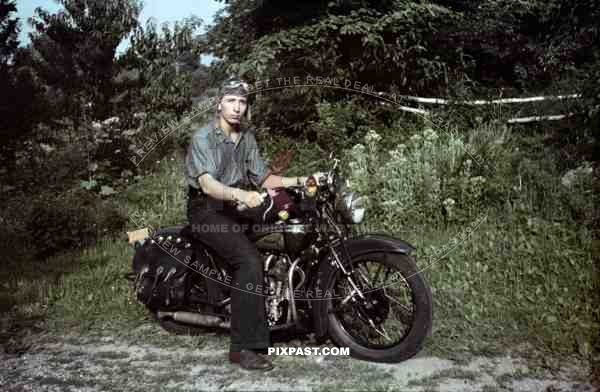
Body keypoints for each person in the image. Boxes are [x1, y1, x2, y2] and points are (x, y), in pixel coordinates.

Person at [184, 76, 322, 371]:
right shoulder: (203, 138)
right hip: (207, 211)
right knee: (248, 261)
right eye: (231, 101)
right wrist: (240, 194)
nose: (236, 107)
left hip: (238, 205)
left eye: (242, 102)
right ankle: (243, 347)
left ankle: (296, 304)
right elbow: (207, 185)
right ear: (218, 104)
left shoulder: (246, 137)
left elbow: (265, 179)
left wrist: (303, 180)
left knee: (292, 209)